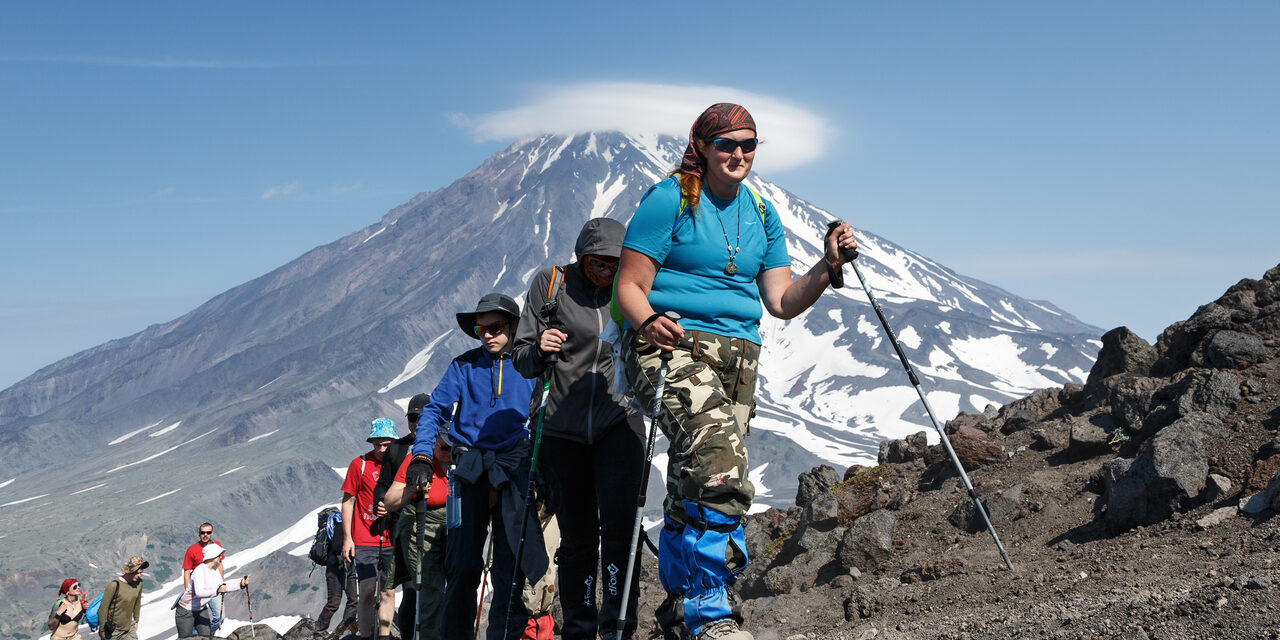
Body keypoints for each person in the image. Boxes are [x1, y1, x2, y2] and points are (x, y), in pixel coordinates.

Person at [615, 103, 858, 640]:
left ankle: (679, 607)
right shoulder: (670, 198)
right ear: (702, 147)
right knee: (719, 461)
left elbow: (782, 300)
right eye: (727, 144)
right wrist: (649, 320)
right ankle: (710, 612)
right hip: (668, 342)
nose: (740, 154)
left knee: (693, 480)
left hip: (738, 355)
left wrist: (828, 266)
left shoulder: (763, 213)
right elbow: (627, 286)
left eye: (749, 144)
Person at [510, 217, 647, 640]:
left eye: (614, 264)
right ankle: (581, 629)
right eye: (597, 264)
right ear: (580, 258)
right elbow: (520, 357)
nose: (607, 273)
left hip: (618, 423)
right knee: (578, 538)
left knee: (623, 533)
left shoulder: (633, 286)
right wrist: (539, 347)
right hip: (560, 431)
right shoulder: (550, 285)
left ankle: (619, 627)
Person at [402, 292, 543, 640]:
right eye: (482, 329)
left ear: (513, 326)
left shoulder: (534, 366)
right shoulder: (462, 366)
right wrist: (421, 456)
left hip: (517, 471)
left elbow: (544, 417)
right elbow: (434, 409)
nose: (488, 335)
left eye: (495, 327)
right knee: (462, 567)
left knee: (510, 570)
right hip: (468, 473)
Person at [373, 392, 431, 640]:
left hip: (435, 526)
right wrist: (380, 501)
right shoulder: (397, 448)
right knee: (411, 589)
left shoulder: (440, 445)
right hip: (403, 526)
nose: (416, 423)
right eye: (412, 418)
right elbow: (382, 485)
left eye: (421, 417)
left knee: (428, 588)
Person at [383, 433, 451, 640]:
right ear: (435, 442)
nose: (448, 453)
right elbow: (389, 501)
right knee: (431, 590)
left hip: (453, 528)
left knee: (454, 589)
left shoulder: (465, 456)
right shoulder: (419, 460)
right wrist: (412, 487)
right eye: (444, 447)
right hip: (419, 529)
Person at [341, 418, 397, 640]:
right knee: (366, 590)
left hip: (391, 537)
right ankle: (365, 635)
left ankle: (383, 636)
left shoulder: (401, 463)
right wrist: (348, 538)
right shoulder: (359, 464)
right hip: (364, 537)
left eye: (386, 444)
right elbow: (348, 500)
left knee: (388, 590)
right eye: (377, 444)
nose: (381, 449)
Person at [174, 543, 249, 638]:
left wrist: (240, 585)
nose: (221, 557)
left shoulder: (215, 570)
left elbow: (222, 587)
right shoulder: (199, 571)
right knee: (185, 639)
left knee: (206, 636)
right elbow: (199, 592)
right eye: (218, 555)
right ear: (211, 556)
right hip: (186, 611)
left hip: (201, 609)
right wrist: (217, 591)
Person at [314, 508, 358, 640]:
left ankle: (332, 632)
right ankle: (336, 632)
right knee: (347, 601)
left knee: (338, 602)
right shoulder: (345, 524)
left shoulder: (344, 523)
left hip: (340, 566)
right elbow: (338, 547)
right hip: (340, 566)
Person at [181, 522, 225, 635]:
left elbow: (219, 565)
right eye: (203, 532)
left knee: (220, 616)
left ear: (212, 533)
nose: (205, 535)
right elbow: (187, 572)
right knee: (196, 619)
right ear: (198, 534)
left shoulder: (216, 546)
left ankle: (208, 636)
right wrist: (188, 592)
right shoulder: (192, 550)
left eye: (208, 532)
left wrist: (221, 585)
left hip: (214, 587)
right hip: (198, 589)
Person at [99, 556, 147, 640]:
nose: (139, 575)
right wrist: (102, 629)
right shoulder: (114, 585)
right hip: (113, 630)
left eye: (140, 573)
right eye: (137, 573)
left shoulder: (139, 583)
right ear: (130, 571)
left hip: (128, 628)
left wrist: (136, 620)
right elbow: (103, 608)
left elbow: (137, 602)